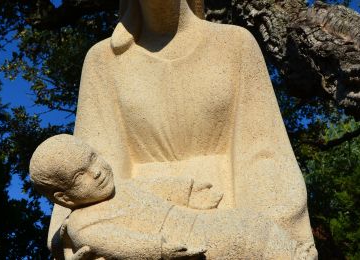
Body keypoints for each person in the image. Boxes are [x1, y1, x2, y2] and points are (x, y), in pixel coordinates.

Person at [45, 0, 317, 258]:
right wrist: (75, 236)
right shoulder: (102, 61)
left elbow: (264, 153)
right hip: (139, 228)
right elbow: (87, 165)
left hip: (232, 212)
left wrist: (275, 230)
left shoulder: (235, 45)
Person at [30, 134, 306, 259]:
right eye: (81, 176)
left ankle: (291, 253)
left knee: (250, 221)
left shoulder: (121, 187)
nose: (97, 172)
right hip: (181, 243)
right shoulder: (83, 225)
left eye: (94, 158)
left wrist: (187, 191)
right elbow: (119, 244)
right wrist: (157, 250)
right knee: (243, 239)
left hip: (194, 221)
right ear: (64, 198)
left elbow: (156, 187)